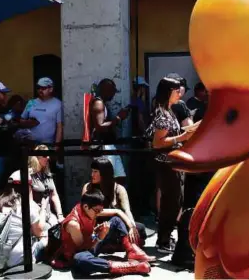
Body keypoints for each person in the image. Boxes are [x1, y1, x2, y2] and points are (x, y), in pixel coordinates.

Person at [145, 77, 194, 253]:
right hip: (166, 164)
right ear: (168, 92)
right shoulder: (162, 114)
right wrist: (181, 137)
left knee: (175, 201)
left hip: (172, 163)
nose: (179, 94)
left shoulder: (169, 111)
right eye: (176, 91)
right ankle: (163, 240)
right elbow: (158, 143)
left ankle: (166, 237)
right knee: (170, 202)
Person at [56, 191, 154, 276]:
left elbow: (117, 212)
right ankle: (131, 267)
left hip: (92, 242)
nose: (99, 213)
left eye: (101, 210)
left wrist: (131, 227)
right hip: (78, 253)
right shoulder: (73, 224)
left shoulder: (90, 208)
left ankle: (132, 251)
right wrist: (99, 236)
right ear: (86, 206)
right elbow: (84, 249)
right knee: (82, 260)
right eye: (97, 211)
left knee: (116, 220)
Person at [82, 158, 147, 246]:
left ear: (104, 173)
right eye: (92, 171)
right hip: (98, 226)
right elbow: (86, 211)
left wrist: (132, 226)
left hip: (117, 225)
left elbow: (127, 210)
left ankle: (119, 243)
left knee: (140, 228)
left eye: (95, 171)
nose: (92, 174)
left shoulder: (118, 189)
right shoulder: (88, 188)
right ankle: (122, 244)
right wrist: (116, 212)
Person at [0, 170, 48, 268]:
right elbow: (38, 232)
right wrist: (43, 209)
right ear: (27, 187)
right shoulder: (27, 205)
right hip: (14, 261)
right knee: (46, 236)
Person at [90, 78, 129, 181]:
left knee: (119, 178)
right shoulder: (98, 103)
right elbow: (99, 126)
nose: (113, 94)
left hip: (109, 145)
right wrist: (118, 118)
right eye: (112, 91)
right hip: (103, 147)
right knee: (107, 179)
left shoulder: (103, 103)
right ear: (105, 90)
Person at [19, 77, 63, 148]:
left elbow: (59, 126)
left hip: (49, 144)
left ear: (51, 89)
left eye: (43, 88)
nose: (40, 90)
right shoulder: (31, 102)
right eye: (38, 88)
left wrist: (56, 146)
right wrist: (28, 122)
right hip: (31, 144)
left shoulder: (58, 104)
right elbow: (21, 120)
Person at [29, 145, 65, 227]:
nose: (48, 158)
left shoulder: (48, 175)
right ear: (37, 157)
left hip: (49, 214)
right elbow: (29, 202)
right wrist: (41, 214)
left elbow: (54, 196)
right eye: (45, 155)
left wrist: (60, 215)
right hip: (36, 216)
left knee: (60, 228)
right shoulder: (30, 175)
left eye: (48, 155)